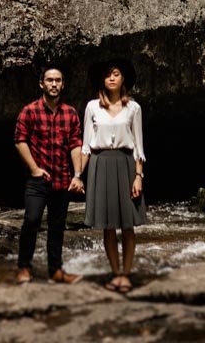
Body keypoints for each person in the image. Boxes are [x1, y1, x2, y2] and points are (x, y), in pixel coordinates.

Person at [13, 64, 86, 285]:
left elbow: (75, 145)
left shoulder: (70, 113)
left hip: (62, 180)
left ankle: (56, 271)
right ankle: (24, 267)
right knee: (31, 221)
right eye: (49, 80)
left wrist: (78, 174)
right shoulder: (30, 111)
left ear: (63, 84)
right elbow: (19, 140)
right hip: (38, 181)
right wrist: (34, 169)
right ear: (42, 84)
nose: (53, 84)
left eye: (57, 80)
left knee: (57, 227)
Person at [78, 58, 146, 292]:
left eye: (116, 74)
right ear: (103, 81)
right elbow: (86, 145)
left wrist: (138, 176)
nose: (112, 78)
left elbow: (138, 146)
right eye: (108, 75)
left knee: (128, 225)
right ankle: (115, 273)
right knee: (108, 226)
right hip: (100, 163)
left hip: (126, 164)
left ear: (123, 78)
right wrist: (78, 174)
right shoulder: (92, 107)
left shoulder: (133, 108)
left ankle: (126, 274)